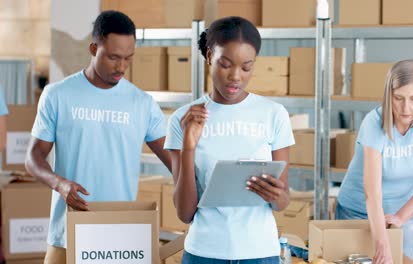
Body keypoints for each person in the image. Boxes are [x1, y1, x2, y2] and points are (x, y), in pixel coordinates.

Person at [25, 10, 171, 263]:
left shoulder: (142, 103)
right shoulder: (58, 95)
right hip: (67, 233)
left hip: (121, 237)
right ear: (94, 48)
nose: (121, 67)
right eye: (114, 57)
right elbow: (33, 158)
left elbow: (175, 158)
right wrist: (59, 183)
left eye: (128, 58)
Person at [164, 16, 295, 263]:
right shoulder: (183, 118)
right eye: (225, 64)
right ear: (209, 55)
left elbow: (282, 202)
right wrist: (188, 148)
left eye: (246, 67)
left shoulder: (274, 114)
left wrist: (277, 196)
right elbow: (184, 213)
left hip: (260, 252)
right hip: (204, 253)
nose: (236, 76)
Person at [336, 60, 413, 264]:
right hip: (357, 211)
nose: (406, 108)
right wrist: (382, 244)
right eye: (398, 98)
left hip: (403, 212)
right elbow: (372, 192)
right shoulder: (373, 123)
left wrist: (401, 217)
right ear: (389, 96)